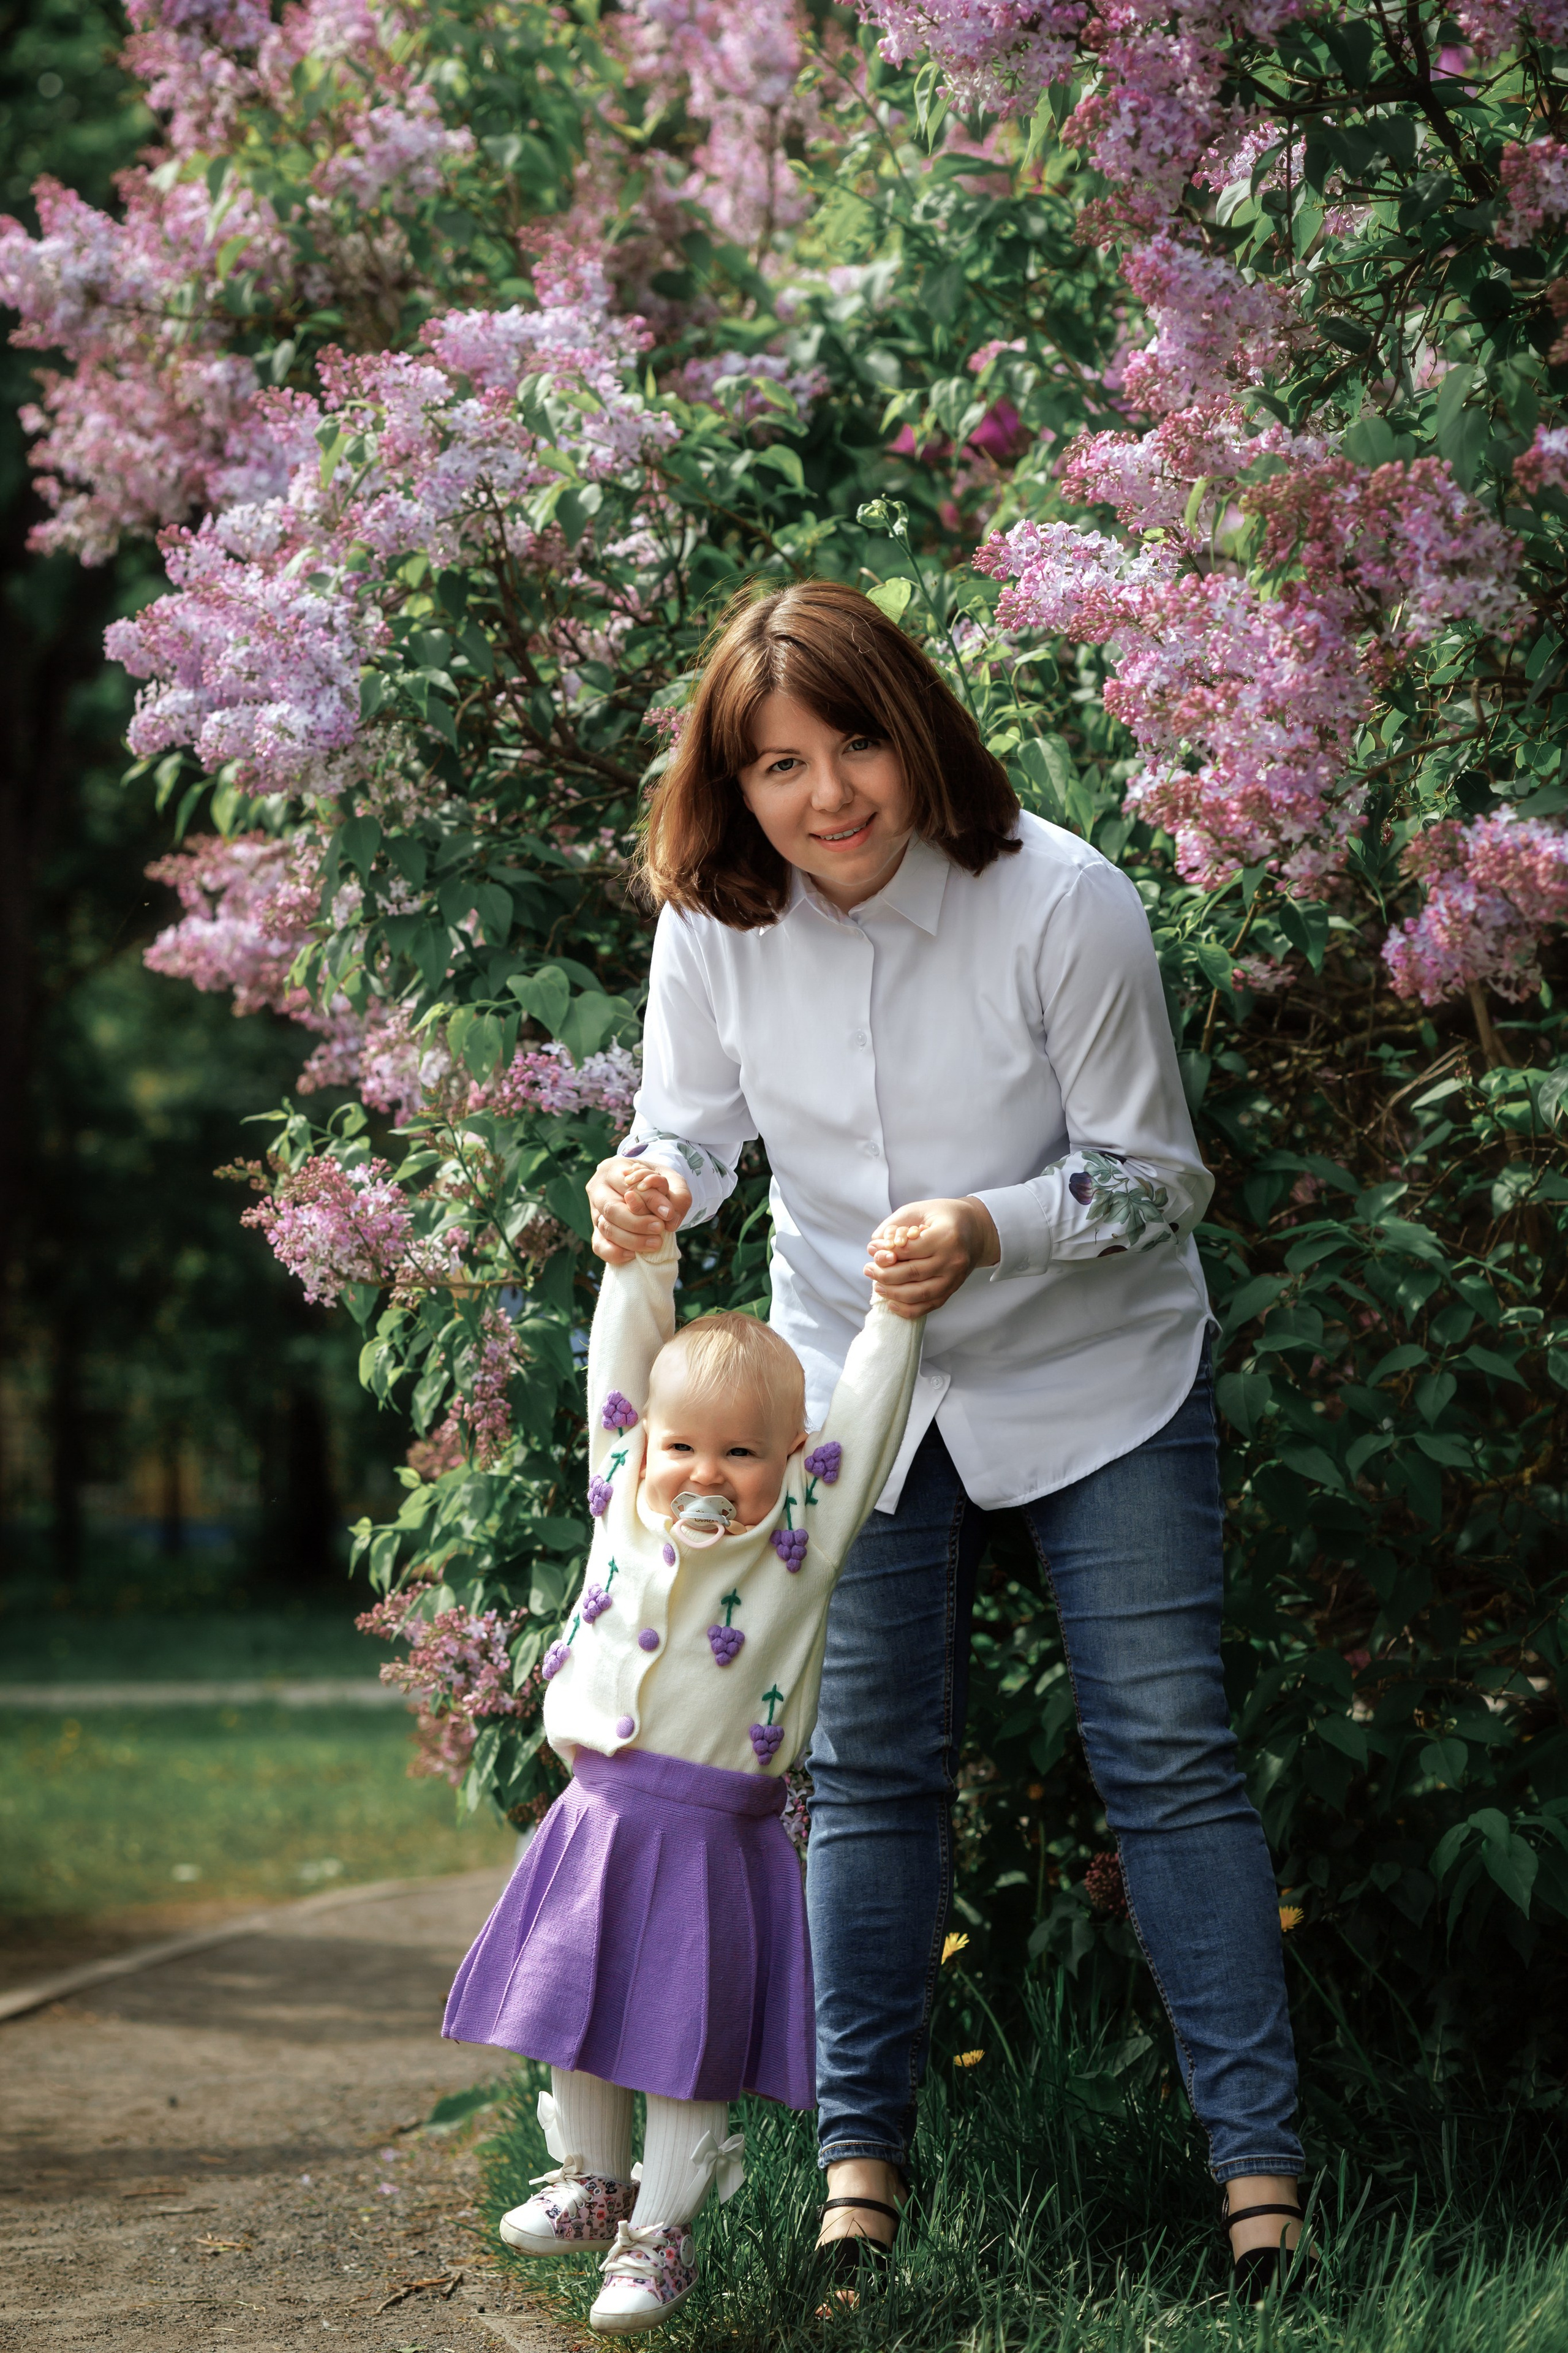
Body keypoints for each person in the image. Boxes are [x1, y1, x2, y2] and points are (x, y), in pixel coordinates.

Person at [587, 578, 1309, 2298]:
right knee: (866, 1779)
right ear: (731, 783)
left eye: (856, 745)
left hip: (1096, 1375)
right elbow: (688, 1124)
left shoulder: (1064, 902)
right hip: (857, 1392)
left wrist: (993, 1227)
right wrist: (649, 1181)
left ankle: (1265, 2195)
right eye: (778, 763)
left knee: (1168, 1756)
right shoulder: (719, 918)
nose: (827, 795)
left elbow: (1158, 1176)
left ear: (917, 735)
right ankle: (856, 2193)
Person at [442, 1166, 925, 2335]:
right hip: (599, 1810)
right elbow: (625, 1362)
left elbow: (864, 1417)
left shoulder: (798, 1545)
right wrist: (639, 1261)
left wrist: (895, 1316)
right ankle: (590, 2181)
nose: (706, 1473)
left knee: (683, 2040)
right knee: (575, 2002)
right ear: (641, 1444)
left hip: (714, 1831)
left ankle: (660, 2232)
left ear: (794, 1460)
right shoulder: (622, 1493)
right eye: (684, 1446)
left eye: (743, 1454)